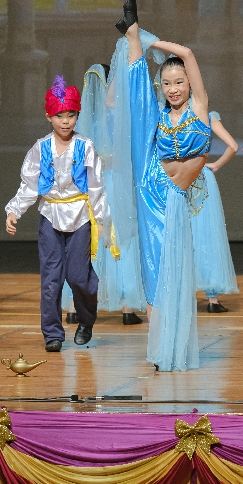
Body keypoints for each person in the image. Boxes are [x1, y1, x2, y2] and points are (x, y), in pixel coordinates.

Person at [115, 0, 206, 372]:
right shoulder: (160, 117)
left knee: (173, 269)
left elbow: (187, 53)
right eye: (166, 83)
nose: (173, 88)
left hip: (174, 197)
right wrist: (139, 40)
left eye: (178, 81)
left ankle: (174, 346)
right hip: (149, 182)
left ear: (189, 83)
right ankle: (158, 348)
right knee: (153, 269)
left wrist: (153, 41)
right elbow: (144, 100)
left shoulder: (199, 106)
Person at [5, 77, 111, 350]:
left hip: (80, 216)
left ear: (78, 115)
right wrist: (14, 210)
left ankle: (86, 320)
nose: (65, 121)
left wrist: (101, 220)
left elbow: (96, 186)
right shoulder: (40, 148)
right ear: (48, 116)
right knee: (51, 279)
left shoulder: (85, 146)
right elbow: (29, 185)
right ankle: (52, 333)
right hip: (50, 215)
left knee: (78, 276)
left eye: (71, 115)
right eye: (59, 116)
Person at [62, 63, 146, 326]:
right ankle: (126, 305)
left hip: (87, 184)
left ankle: (74, 305)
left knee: (86, 239)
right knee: (121, 236)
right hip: (114, 182)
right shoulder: (120, 118)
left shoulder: (80, 122)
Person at [191, 111, 239, 312]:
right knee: (206, 235)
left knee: (179, 234)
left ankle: (180, 297)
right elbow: (233, 146)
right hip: (202, 176)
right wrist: (215, 165)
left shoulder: (167, 114)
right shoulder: (207, 116)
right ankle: (212, 300)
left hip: (176, 177)